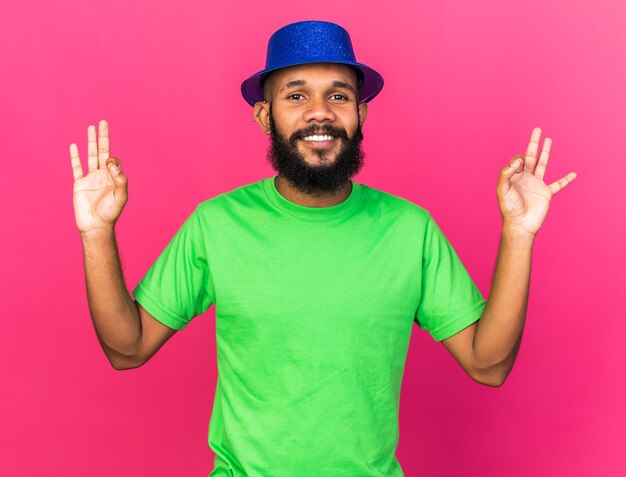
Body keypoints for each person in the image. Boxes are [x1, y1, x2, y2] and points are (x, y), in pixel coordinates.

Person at [69, 20, 577, 477]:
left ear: (361, 114)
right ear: (264, 117)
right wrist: (97, 234)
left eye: (338, 96)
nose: (319, 114)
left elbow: (488, 365)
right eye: (296, 96)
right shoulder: (217, 224)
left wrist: (518, 234)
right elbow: (127, 348)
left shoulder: (409, 229)